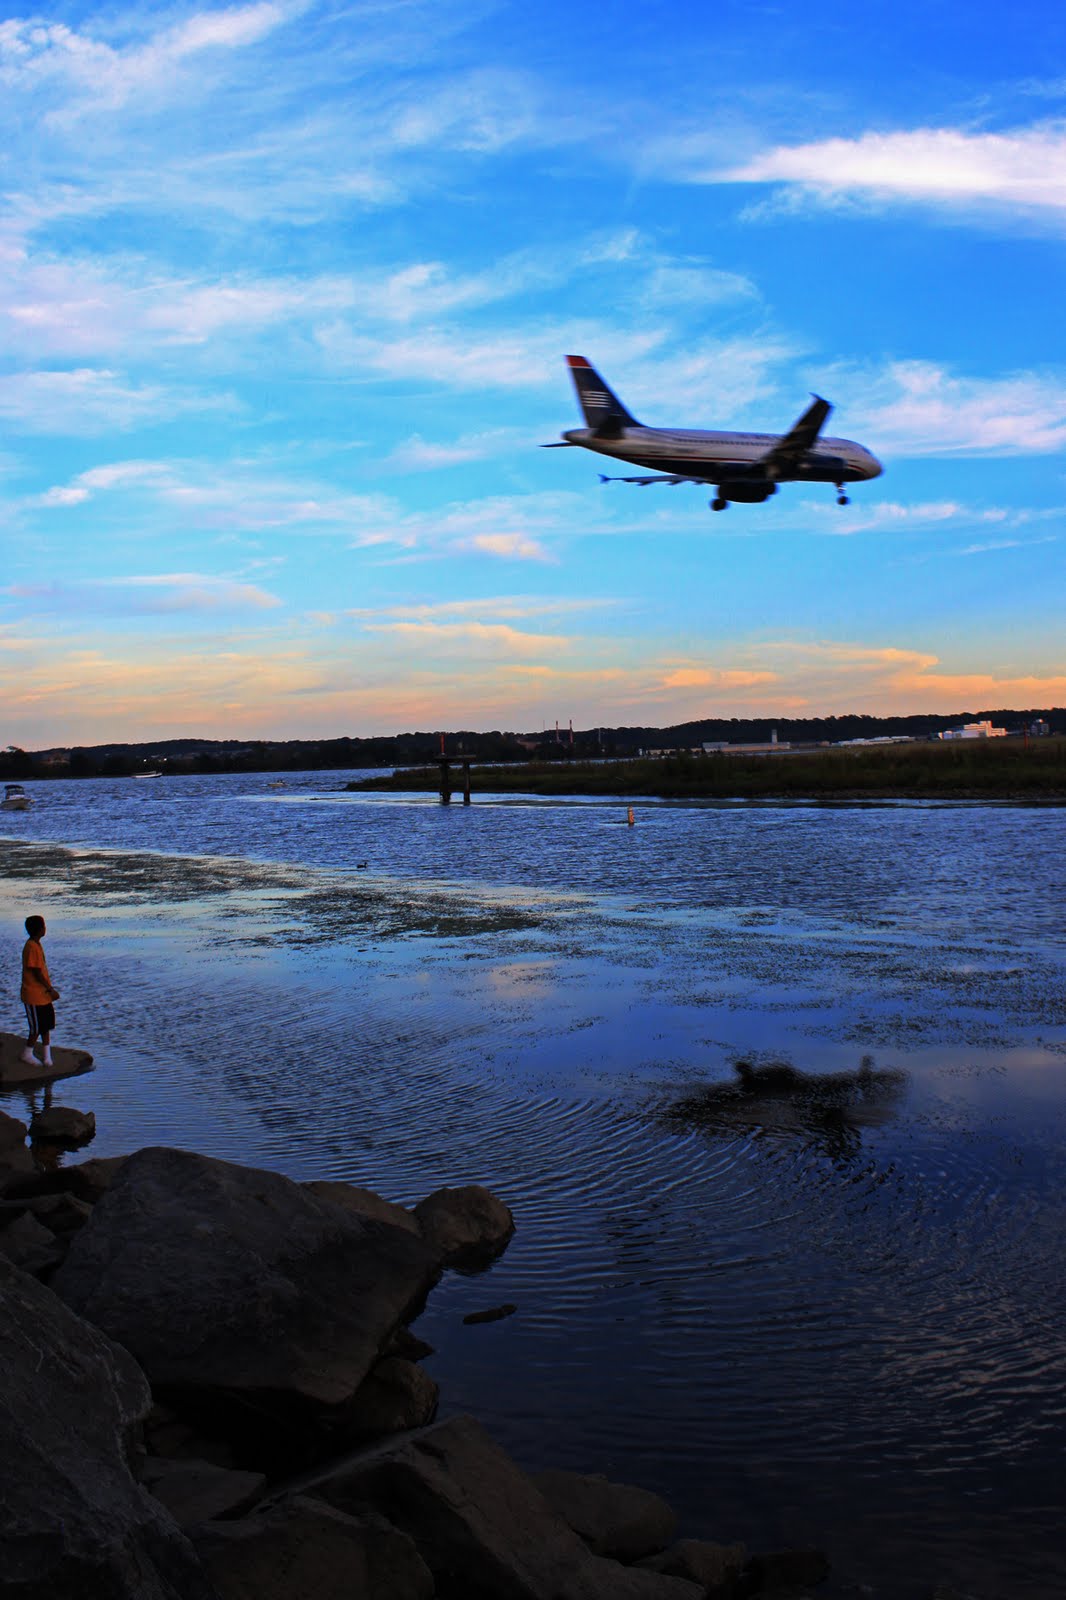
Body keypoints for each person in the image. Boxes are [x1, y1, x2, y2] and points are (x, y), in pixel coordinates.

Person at [21, 914, 59, 1068]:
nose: (45, 928)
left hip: (43, 995)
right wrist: (50, 989)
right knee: (36, 1028)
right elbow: (36, 972)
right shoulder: (31, 947)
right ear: (39, 929)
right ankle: (27, 1053)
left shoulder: (36, 944)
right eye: (43, 926)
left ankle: (46, 1056)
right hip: (34, 994)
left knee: (46, 1025)